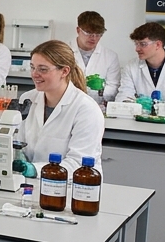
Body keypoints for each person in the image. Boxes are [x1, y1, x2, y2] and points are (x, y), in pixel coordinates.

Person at [14, 40, 104, 177]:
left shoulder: (86, 109)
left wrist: (34, 170)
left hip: (73, 187)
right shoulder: (27, 100)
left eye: (43, 69)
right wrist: (15, 155)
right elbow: (15, 141)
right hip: (29, 184)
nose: (34, 74)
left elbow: (78, 163)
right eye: (32, 67)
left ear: (64, 71)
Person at [68, 11, 119, 104]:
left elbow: (113, 87)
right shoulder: (63, 52)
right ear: (78, 30)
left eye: (98, 34)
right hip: (68, 104)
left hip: (97, 106)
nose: (94, 38)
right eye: (89, 33)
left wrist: (98, 90)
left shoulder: (110, 56)